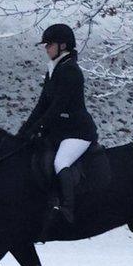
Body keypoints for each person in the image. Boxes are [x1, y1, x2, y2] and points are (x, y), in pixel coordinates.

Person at [16, 23, 98, 225]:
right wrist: (26, 130)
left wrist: (38, 127)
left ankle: (68, 209)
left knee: (60, 161)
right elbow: (42, 104)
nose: (46, 49)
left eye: (49, 44)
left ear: (63, 45)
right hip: (61, 130)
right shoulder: (54, 69)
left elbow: (56, 107)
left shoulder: (70, 72)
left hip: (78, 132)